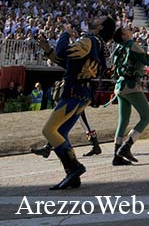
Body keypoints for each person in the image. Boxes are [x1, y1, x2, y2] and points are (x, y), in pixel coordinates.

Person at [34, 17, 115, 190]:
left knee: (49, 130)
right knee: (61, 132)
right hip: (83, 94)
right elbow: (68, 62)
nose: (95, 17)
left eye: (98, 19)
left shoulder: (89, 41)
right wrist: (48, 50)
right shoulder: (97, 44)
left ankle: (74, 167)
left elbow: (64, 53)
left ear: (100, 26)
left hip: (73, 92)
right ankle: (72, 175)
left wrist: (65, 33)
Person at [110, 24, 149, 165]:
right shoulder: (132, 44)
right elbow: (148, 61)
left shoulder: (119, 47)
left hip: (120, 85)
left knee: (123, 121)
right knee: (146, 117)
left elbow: (139, 59)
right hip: (132, 86)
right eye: (126, 29)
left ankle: (116, 155)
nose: (129, 29)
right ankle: (126, 146)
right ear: (123, 35)